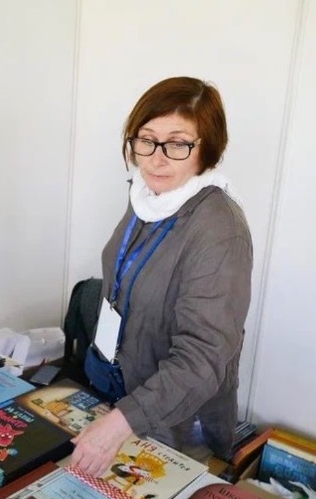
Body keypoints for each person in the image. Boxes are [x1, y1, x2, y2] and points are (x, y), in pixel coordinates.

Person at [70, 77, 253, 476]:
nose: (157, 158)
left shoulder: (219, 228)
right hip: (120, 389)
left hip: (175, 424)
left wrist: (119, 424)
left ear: (208, 148)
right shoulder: (146, 196)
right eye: (147, 140)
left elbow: (202, 358)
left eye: (177, 144)